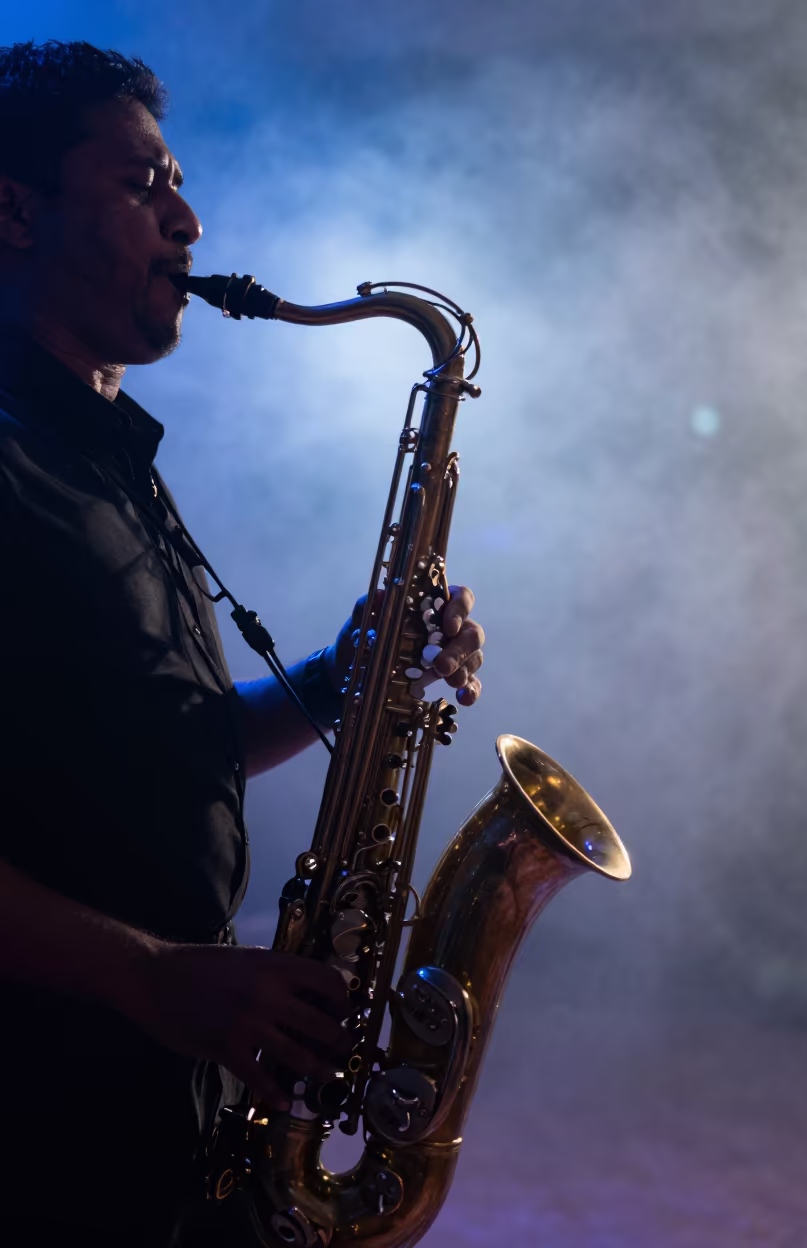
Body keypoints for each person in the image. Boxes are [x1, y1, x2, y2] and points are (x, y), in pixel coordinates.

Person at [0, 40, 486, 1248]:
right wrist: (147, 973)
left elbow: (169, 747)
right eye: (142, 185)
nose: (189, 219)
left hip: (169, 1098)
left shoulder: (112, 463)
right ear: (13, 212)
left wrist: (349, 679)